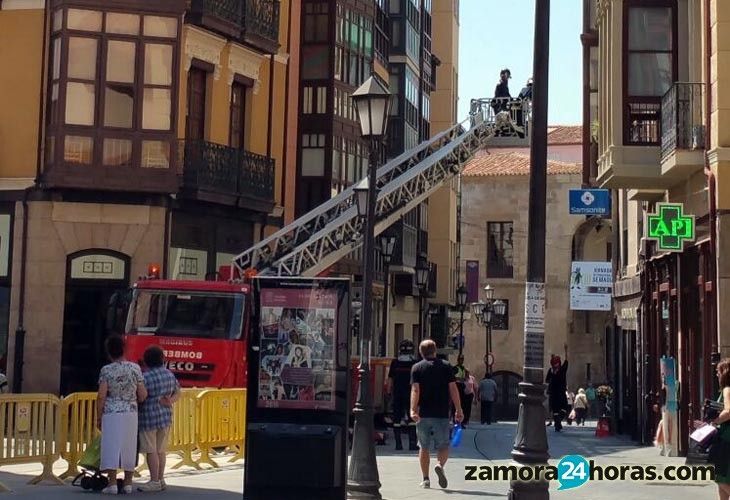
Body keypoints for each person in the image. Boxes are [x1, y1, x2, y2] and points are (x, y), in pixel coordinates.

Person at [96, 335, 147, 495]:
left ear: (109, 352)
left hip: (111, 412)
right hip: (131, 411)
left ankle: (111, 483)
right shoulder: (135, 368)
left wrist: (98, 416)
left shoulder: (106, 370)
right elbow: (143, 393)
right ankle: (128, 483)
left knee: (111, 446)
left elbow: (101, 395)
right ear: (124, 349)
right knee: (129, 445)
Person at [410, 340, 463, 489]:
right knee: (443, 445)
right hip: (441, 412)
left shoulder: (417, 368)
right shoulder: (446, 366)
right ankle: (440, 465)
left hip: (423, 413)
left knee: (423, 446)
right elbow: (453, 389)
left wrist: (413, 409)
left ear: (421, 352)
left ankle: (426, 479)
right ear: (435, 351)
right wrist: (459, 409)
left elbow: (415, 390)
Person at [137, 346, 179, 492]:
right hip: (165, 415)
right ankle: (161, 479)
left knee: (151, 450)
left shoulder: (145, 377)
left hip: (148, 416)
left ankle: (153, 480)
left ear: (146, 361)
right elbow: (178, 393)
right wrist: (170, 401)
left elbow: (141, 396)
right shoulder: (169, 374)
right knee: (161, 450)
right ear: (162, 359)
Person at [387, 339, 419, 451]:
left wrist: (388, 392)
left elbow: (390, 379)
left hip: (397, 393)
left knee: (396, 419)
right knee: (412, 419)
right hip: (411, 394)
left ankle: (398, 444)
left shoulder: (395, 362)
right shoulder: (415, 363)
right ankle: (412, 443)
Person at [545, 344, 569, 432]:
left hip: (552, 393)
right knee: (565, 407)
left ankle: (557, 425)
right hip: (561, 392)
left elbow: (547, 380)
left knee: (555, 410)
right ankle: (559, 420)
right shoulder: (562, 369)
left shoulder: (550, 371)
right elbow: (566, 361)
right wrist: (566, 350)